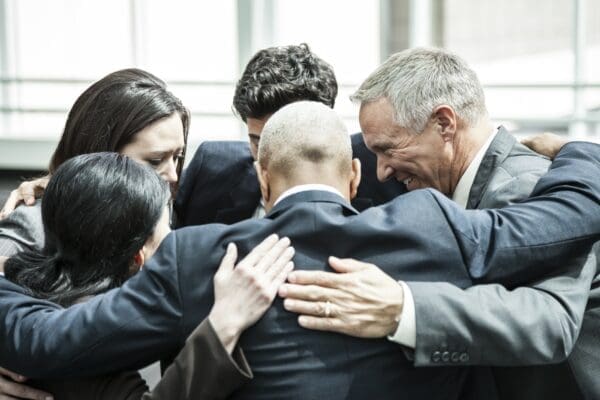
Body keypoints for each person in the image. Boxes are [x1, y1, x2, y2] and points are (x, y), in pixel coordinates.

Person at [0, 102, 598, 400]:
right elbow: (561, 222)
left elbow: (49, 342)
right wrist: (576, 152)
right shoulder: (434, 223)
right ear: (356, 181)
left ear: (262, 181)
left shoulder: (199, 257)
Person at [278, 48, 599, 399]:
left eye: (388, 149)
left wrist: (402, 308)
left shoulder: (526, 185)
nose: (382, 170)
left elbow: (547, 323)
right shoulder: (451, 183)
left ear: (444, 124)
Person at [0, 152, 294, 399]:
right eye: (165, 235)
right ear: (137, 258)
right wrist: (222, 327)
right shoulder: (94, 353)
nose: (174, 244)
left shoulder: (19, 288)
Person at [173, 43, 405, 227]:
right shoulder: (212, 170)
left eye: (286, 142)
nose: (269, 157)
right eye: (258, 142)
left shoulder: (385, 178)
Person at [0, 68, 190, 258]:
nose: (173, 175)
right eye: (155, 161)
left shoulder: (171, 209)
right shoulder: (35, 226)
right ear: (102, 154)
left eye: (177, 157)